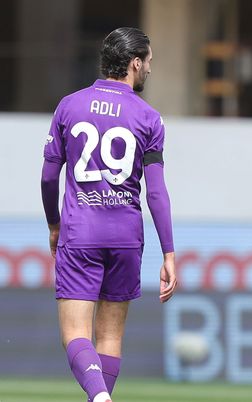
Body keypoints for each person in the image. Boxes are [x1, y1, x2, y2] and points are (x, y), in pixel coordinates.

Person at [40, 27, 176, 402]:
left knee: (76, 336)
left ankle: (99, 397)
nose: (149, 69)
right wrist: (168, 252)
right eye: (148, 62)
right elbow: (157, 193)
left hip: (80, 233)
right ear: (134, 63)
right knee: (111, 337)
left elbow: (50, 175)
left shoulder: (70, 106)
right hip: (126, 237)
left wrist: (54, 223)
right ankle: (100, 397)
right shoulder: (149, 117)